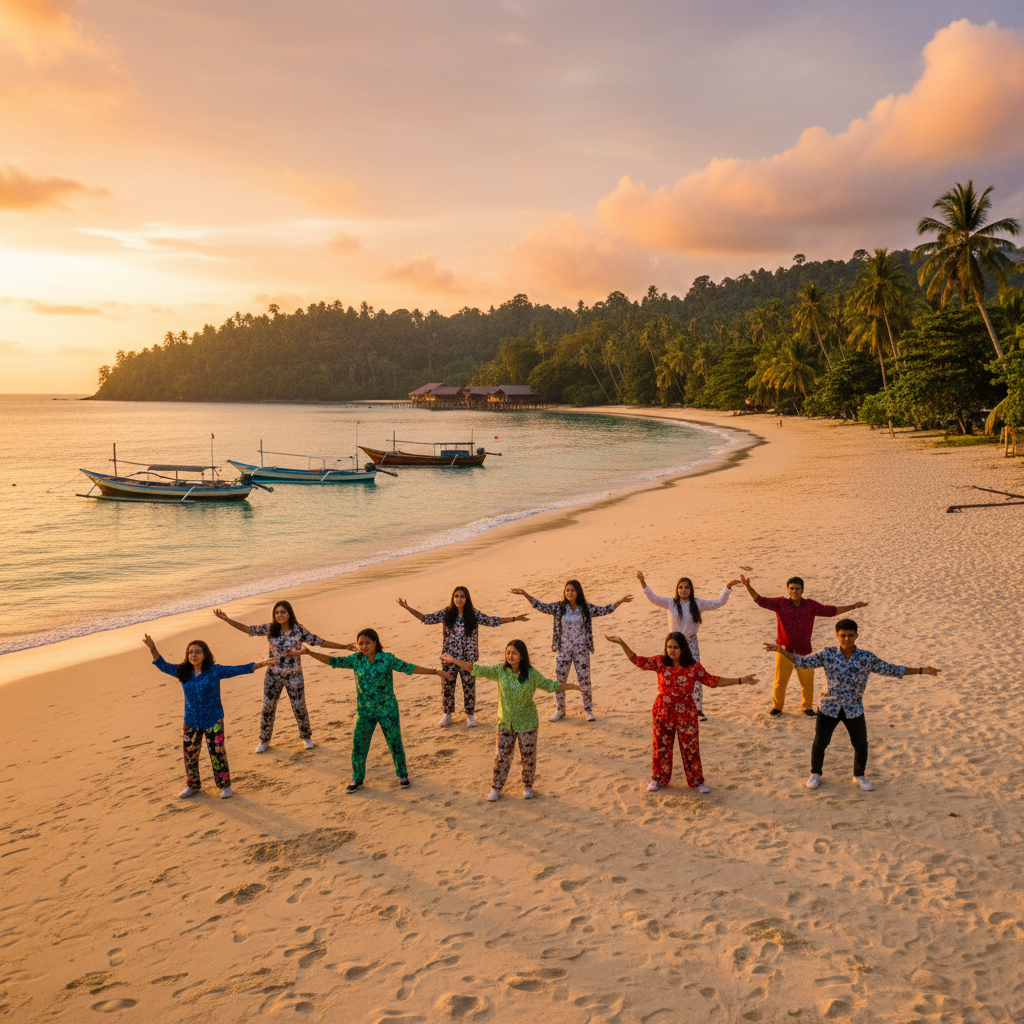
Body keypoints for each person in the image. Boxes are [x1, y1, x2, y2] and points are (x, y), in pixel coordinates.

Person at [765, 620, 940, 791]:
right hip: (829, 706)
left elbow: (892, 669)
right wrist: (780, 651)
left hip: (854, 707)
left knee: (861, 744)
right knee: (820, 742)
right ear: (837, 635)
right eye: (843, 635)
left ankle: (859, 776)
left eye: (850, 635)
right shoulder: (827, 654)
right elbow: (803, 662)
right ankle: (815, 774)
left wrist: (922, 670)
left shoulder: (866, 658)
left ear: (856, 635)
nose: (846, 639)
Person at [605, 632, 758, 795]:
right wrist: (622, 644)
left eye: (675, 647)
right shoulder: (660, 662)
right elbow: (637, 660)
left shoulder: (693, 668)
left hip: (686, 712)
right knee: (660, 747)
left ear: (682, 649)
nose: (671, 650)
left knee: (691, 747)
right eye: (669, 647)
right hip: (663, 710)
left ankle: (697, 781)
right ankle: (658, 779)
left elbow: (713, 681)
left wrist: (741, 680)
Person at [302, 628, 451, 793]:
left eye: (367, 643)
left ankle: (402, 775)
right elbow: (332, 661)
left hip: (388, 710)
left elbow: (408, 668)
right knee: (359, 744)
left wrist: (436, 672)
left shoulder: (387, 659)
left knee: (394, 742)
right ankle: (357, 778)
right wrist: (309, 653)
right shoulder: (356, 659)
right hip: (365, 712)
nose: (364, 646)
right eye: (360, 644)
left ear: (375, 643)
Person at [441, 640, 580, 801]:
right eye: (508, 653)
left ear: (522, 656)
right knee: (501, 756)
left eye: (514, 653)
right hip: (505, 721)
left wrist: (573, 686)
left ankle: (528, 785)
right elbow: (476, 669)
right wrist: (453, 661)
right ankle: (496, 787)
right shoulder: (500, 671)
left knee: (528, 756)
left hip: (527, 722)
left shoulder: (531, 674)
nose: (510, 656)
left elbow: (551, 686)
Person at [143, 634, 277, 799]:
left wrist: (262, 663)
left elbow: (237, 669)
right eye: (190, 652)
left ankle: (225, 786)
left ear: (205, 654)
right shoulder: (183, 671)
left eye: (198, 652)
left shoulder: (214, 671)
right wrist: (153, 648)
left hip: (213, 720)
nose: (193, 655)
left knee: (217, 753)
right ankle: (192, 785)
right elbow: (163, 665)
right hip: (191, 721)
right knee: (190, 755)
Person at [214, 601, 349, 752]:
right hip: (273, 675)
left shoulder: (299, 630)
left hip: (294, 675)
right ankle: (264, 740)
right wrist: (227, 619)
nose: (280, 615)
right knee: (268, 707)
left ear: (289, 613)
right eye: (277, 612)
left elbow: (319, 642)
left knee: (299, 707)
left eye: (283, 612)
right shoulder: (271, 629)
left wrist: (343, 646)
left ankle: (306, 737)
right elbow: (249, 630)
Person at [739, 573, 868, 717]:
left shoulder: (810, 606)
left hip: (804, 651)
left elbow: (831, 611)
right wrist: (748, 586)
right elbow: (760, 600)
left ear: (802, 590)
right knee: (780, 682)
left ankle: (807, 707)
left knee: (807, 682)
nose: (794, 591)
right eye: (792, 588)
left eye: (797, 589)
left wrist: (853, 606)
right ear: (788, 590)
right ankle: (777, 707)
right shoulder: (780, 603)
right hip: (783, 650)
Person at [397, 587, 529, 728]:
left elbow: (492, 621)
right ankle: (447, 714)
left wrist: (514, 618)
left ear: (467, 599)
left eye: (462, 596)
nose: (459, 599)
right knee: (447, 686)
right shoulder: (446, 613)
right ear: (453, 598)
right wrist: (407, 608)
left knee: (469, 687)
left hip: (468, 659)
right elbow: (425, 618)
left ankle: (470, 715)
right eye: (456, 596)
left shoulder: (473, 614)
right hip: (449, 658)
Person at [510, 579, 632, 722]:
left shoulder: (585, 608)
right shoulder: (559, 607)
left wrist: (621, 601)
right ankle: (560, 709)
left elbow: (604, 610)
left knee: (585, 680)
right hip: (563, 651)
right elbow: (540, 606)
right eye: (567, 590)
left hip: (582, 650)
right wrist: (525, 594)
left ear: (578, 592)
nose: (569, 592)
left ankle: (588, 710)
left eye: (572, 590)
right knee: (560, 680)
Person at [636, 570, 740, 722]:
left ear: (691, 590)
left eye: (686, 587)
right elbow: (653, 598)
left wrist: (728, 588)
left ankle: (697, 709)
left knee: (695, 675)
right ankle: (673, 708)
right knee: (672, 675)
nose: (683, 590)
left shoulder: (697, 603)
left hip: (691, 643)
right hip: (673, 645)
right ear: (677, 589)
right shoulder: (670, 603)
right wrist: (642, 582)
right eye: (680, 587)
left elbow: (718, 602)